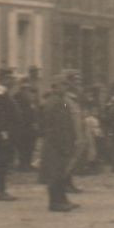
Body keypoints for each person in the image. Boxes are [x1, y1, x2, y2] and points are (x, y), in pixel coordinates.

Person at [37, 74, 82, 212]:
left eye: (66, 85)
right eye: (62, 85)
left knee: (61, 172)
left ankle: (62, 199)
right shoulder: (53, 101)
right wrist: (62, 142)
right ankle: (55, 202)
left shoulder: (61, 100)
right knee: (55, 173)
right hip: (55, 143)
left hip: (62, 141)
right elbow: (54, 125)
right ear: (55, 87)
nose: (65, 87)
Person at [0, 69, 20, 201]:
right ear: (2, 79)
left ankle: (0, 187)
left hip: (6, 131)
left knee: (4, 160)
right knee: (1, 160)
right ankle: (0, 191)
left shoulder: (4, 92)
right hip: (3, 132)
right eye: (9, 78)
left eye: (12, 78)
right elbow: (0, 115)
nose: (12, 81)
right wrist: (4, 133)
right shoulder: (0, 92)